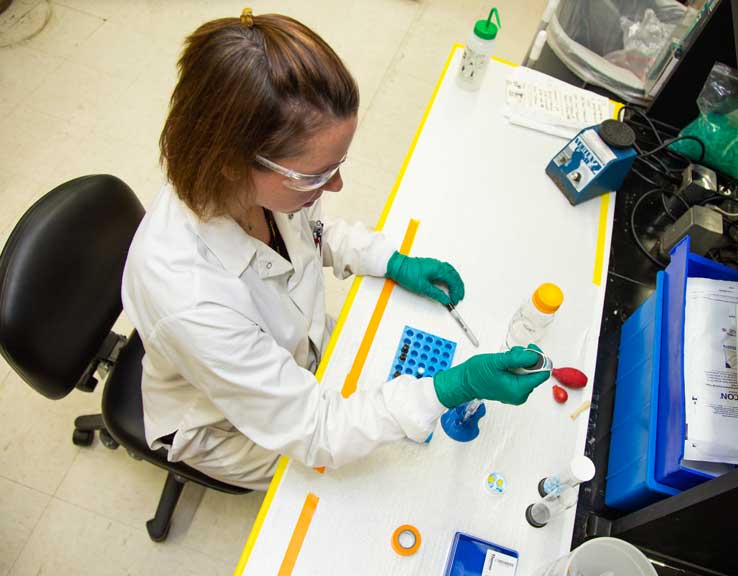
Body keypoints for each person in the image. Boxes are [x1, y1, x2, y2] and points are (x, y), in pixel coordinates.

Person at [122, 10, 549, 490]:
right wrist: (454, 388)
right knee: (367, 485)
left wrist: (388, 260)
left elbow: (313, 230)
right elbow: (319, 432)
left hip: (288, 359)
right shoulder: (192, 299)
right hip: (225, 427)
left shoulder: (255, 185)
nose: (337, 185)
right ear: (231, 163)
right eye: (317, 175)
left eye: (337, 165)